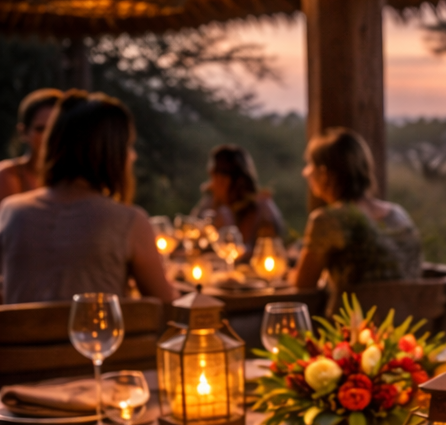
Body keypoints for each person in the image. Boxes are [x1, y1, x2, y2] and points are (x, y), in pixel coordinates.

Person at [0, 90, 176, 306]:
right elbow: (165, 306)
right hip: (96, 330)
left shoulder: (11, 211)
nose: (133, 155)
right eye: (128, 145)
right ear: (111, 151)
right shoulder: (129, 221)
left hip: (18, 330)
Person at [292, 128, 422, 313]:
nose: (305, 172)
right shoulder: (398, 214)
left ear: (324, 173)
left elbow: (303, 285)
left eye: (310, 165)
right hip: (407, 324)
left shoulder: (328, 220)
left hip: (351, 328)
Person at [191, 144, 285, 256]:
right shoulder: (212, 202)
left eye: (217, 176)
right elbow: (191, 236)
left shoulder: (263, 207)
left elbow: (271, 251)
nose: (214, 183)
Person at [0, 88, 63, 203]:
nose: (48, 136)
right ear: (23, 132)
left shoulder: (77, 181)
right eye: (40, 129)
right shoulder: (7, 176)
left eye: (55, 128)